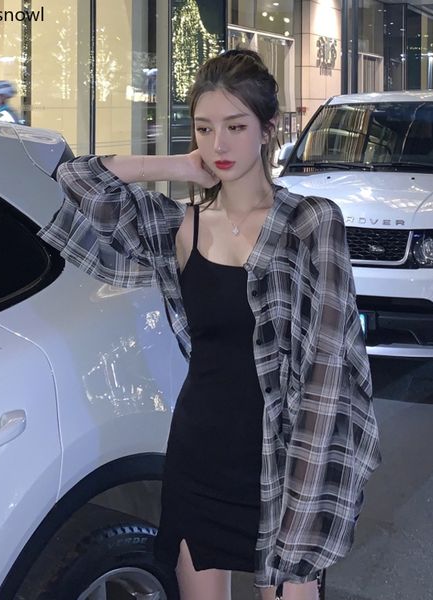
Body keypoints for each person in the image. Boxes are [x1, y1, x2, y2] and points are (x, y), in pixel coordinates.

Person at [38, 49, 381, 600]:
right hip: (199, 457)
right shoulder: (184, 227)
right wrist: (177, 166)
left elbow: (329, 372)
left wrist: (304, 504)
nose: (219, 144)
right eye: (204, 128)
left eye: (236, 127)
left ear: (268, 128)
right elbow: (78, 180)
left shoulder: (311, 223)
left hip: (287, 462)